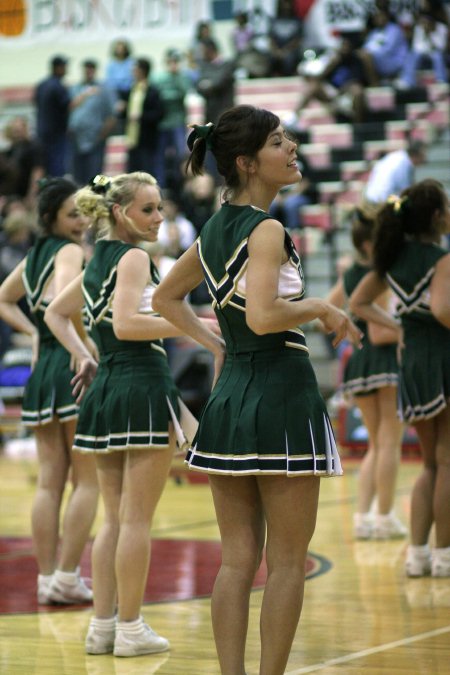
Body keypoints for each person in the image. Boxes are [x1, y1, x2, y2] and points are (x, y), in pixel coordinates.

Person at [152, 105, 362, 674]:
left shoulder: (214, 229)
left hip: (230, 398)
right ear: (247, 162)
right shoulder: (267, 228)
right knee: (288, 560)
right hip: (281, 392)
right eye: (278, 140)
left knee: (236, 561)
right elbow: (267, 315)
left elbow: (165, 299)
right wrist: (320, 306)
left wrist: (218, 345)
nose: (291, 145)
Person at [44, 171, 216, 657]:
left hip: (108, 387)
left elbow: (57, 313)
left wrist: (85, 354)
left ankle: (103, 626)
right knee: (134, 519)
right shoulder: (136, 256)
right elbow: (125, 322)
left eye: (160, 208)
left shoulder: (98, 261)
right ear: (120, 213)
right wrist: (197, 325)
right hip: (140, 384)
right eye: (148, 209)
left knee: (115, 519)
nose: (159, 217)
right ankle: (132, 627)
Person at [0, 177, 98, 604]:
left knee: (49, 482)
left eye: (83, 213)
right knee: (87, 480)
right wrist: (84, 343)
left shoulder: (35, 253)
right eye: (72, 214)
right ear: (52, 218)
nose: (81, 221)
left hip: (42, 373)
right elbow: (62, 300)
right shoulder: (71, 251)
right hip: (72, 364)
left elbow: (4, 298)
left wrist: (35, 333)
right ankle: (67, 577)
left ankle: (46, 579)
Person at [349, 179, 450, 577]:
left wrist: (402, 327)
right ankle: (444, 555)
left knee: (430, 464)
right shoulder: (439, 259)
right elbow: (443, 310)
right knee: (446, 463)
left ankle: (419, 555)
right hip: (442, 358)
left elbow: (358, 302)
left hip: (412, 364)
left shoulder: (394, 258)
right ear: (438, 216)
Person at [326, 204, 405, 540]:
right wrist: (408, 328)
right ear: (372, 243)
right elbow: (381, 332)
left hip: (358, 363)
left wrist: (348, 327)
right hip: (383, 359)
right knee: (389, 443)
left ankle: (363, 518)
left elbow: (325, 312)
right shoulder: (380, 275)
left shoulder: (350, 275)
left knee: (376, 444)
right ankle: (384, 516)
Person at [296, 34, 368, 123]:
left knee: (357, 90)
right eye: (342, 46)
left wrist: (342, 91)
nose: (344, 49)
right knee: (313, 86)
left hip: (348, 96)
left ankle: (358, 127)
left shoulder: (356, 61)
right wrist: (331, 65)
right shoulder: (334, 60)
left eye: (347, 46)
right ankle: (295, 117)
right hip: (332, 95)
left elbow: (357, 81)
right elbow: (319, 78)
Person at [68, 59, 117, 186]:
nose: (88, 71)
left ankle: (98, 198)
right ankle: (79, 201)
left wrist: (101, 136)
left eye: (91, 68)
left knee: (96, 176)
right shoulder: (75, 88)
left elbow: (112, 116)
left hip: (95, 139)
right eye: (86, 68)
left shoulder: (104, 89)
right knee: (77, 175)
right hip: (76, 138)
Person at [154, 49, 192, 190]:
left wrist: (177, 77)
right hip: (162, 124)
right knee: (160, 157)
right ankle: (161, 185)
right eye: (170, 62)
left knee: (180, 155)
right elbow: (158, 95)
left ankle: (181, 184)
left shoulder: (183, 77)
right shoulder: (158, 77)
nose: (173, 65)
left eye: (175, 62)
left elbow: (186, 91)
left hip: (177, 121)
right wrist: (173, 95)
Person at [125, 58, 164, 184]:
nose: (132, 72)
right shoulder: (132, 89)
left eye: (135, 69)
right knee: (133, 172)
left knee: (147, 172)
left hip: (146, 138)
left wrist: (140, 117)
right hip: (132, 137)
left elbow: (159, 114)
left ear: (142, 71)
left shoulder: (152, 91)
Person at [34, 55, 71, 177]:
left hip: (42, 131)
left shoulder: (42, 85)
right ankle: (58, 194)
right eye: (65, 66)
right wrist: (85, 95)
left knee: (45, 166)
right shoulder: (58, 86)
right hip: (56, 133)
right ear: (58, 68)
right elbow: (69, 105)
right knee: (57, 167)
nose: (66, 69)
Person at [0, 116, 45, 209]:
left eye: (19, 130)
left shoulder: (33, 147)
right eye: (14, 131)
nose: (17, 134)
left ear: (26, 129)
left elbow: (38, 171)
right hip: (14, 197)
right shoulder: (12, 149)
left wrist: (32, 194)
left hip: (28, 196)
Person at [397, 11, 449, 88]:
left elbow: (441, 49)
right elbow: (416, 48)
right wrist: (424, 33)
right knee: (412, 54)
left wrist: (428, 35)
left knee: (437, 55)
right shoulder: (419, 28)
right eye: (423, 22)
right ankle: (407, 80)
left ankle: (441, 80)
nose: (424, 24)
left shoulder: (442, 28)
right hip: (423, 56)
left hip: (438, 56)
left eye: (426, 21)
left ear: (432, 21)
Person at [358, 7, 409, 85]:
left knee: (366, 56)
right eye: (376, 17)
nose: (378, 19)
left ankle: (375, 85)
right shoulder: (374, 32)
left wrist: (369, 54)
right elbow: (366, 47)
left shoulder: (394, 30)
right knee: (358, 55)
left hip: (393, 61)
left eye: (380, 16)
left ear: (386, 17)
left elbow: (387, 50)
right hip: (378, 60)